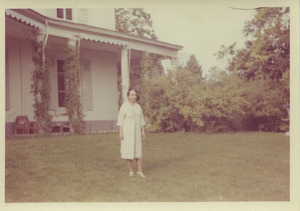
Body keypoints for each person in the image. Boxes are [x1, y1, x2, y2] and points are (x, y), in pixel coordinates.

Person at [117, 88, 146, 178]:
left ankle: (140, 171)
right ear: (128, 96)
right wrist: (121, 133)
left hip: (137, 132)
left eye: (135, 95)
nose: (134, 96)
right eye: (132, 95)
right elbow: (120, 121)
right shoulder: (124, 107)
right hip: (127, 132)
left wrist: (143, 131)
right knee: (128, 150)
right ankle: (130, 170)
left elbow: (141, 120)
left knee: (138, 151)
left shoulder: (138, 107)